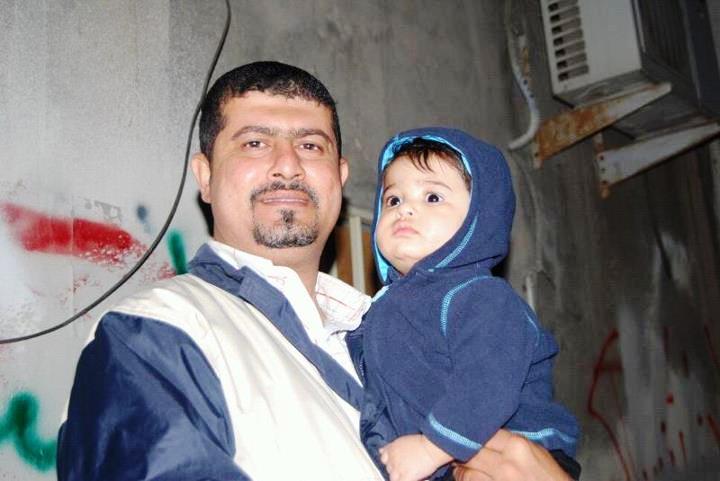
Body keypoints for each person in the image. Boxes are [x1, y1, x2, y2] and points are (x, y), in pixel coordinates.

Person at [57, 61, 579, 481]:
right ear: (206, 176)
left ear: (340, 177)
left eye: (310, 146)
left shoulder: (383, 332)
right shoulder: (156, 335)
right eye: (255, 142)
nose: (288, 164)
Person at [346, 129, 580, 481]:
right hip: (447, 455)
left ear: (478, 218)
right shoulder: (383, 309)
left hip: (517, 450)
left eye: (432, 197)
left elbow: (487, 383)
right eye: (393, 199)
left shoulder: (480, 297)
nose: (405, 208)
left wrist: (431, 448)